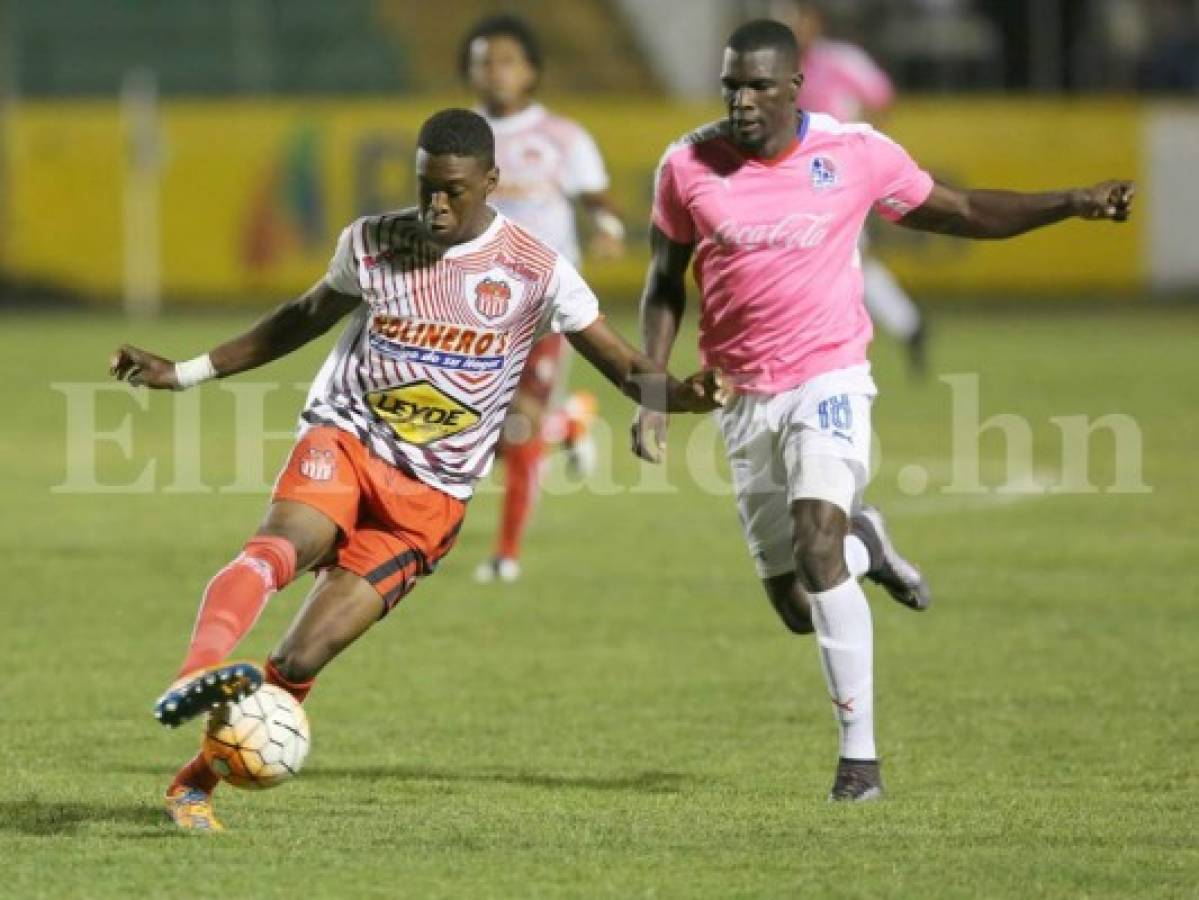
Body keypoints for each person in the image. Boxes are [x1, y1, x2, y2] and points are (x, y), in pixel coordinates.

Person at [111, 108, 726, 832]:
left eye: (453, 192)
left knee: (301, 658)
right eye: (426, 186)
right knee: (278, 546)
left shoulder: (533, 269)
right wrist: (182, 373)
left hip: (428, 501)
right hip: (348, 437)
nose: (435, 204)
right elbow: (297, 317)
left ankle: (191, 787)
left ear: (491, 183)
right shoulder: (373, 241)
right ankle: (198, 669)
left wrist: (680, 395)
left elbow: (622, 364)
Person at [631, 19, 1133, 802]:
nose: (741, 100)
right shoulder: (686, 163)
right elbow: (663, 280)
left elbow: (962, 211)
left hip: (829, 379)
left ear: (796, 86)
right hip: (739, 398)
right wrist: (651, 387)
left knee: (814, 541)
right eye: (731, 84)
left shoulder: (853, 153)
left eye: (759, 85)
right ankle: (869, 542)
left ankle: (858, 763)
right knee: (798, 604)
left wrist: (1069, 201)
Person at [460, 15, 627, 583]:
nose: (495, 71)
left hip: (545, 300)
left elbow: (599, 201)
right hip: (470, 303)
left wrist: (607, 229)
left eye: (506, 60)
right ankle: (571, 424)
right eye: (484, 61)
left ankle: (505, 555)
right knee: (481, 430)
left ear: (530, 71)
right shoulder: (459, 138)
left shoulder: (562, 136)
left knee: (519, 423)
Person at [777, 0, 930, 375]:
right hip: (795, 182)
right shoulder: (777, 68)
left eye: (796, 17)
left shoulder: (840, 61)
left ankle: (821, 347)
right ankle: (908, 325)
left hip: (834, 179)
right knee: (844, 259)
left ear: (815, 21)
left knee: (827, 257)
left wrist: (862, 153)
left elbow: (882, 98)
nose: (791, 24)